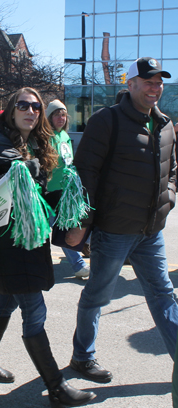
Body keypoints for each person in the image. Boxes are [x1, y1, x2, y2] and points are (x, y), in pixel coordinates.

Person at [0, 87, 96, 407]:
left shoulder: (38, 145)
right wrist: (49, 170)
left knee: (6, 302)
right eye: (23, 105)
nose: (30, 111)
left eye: (36, 107)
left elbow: (46, 194)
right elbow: (20, 171)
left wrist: (73, 223)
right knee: (34, 311)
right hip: (7, 241)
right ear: (11, 110)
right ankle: (56, 386)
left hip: (31, 239)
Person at [66, 57, 178, 384]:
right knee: (98, 294)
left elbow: (171, 169)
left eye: (159, 82)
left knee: (162, 294)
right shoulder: (107, 121)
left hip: (150, 231)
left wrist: (167, 197)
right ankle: (82, 357)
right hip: (113, 230)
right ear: (130, 84)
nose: (154, 87)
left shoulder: (166, 124)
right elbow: (86, 171)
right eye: (148, 81)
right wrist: (82, 223)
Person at [45, 100, 90, 279]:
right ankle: (78, 264)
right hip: (48, 192)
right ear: (49, 117)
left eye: (63, 115)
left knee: (65, 226)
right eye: (57, 114)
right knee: (57, 227)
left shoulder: (64, 136)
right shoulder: (46, 136)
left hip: (66, 191)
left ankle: (78, 259)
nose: (61, 118)